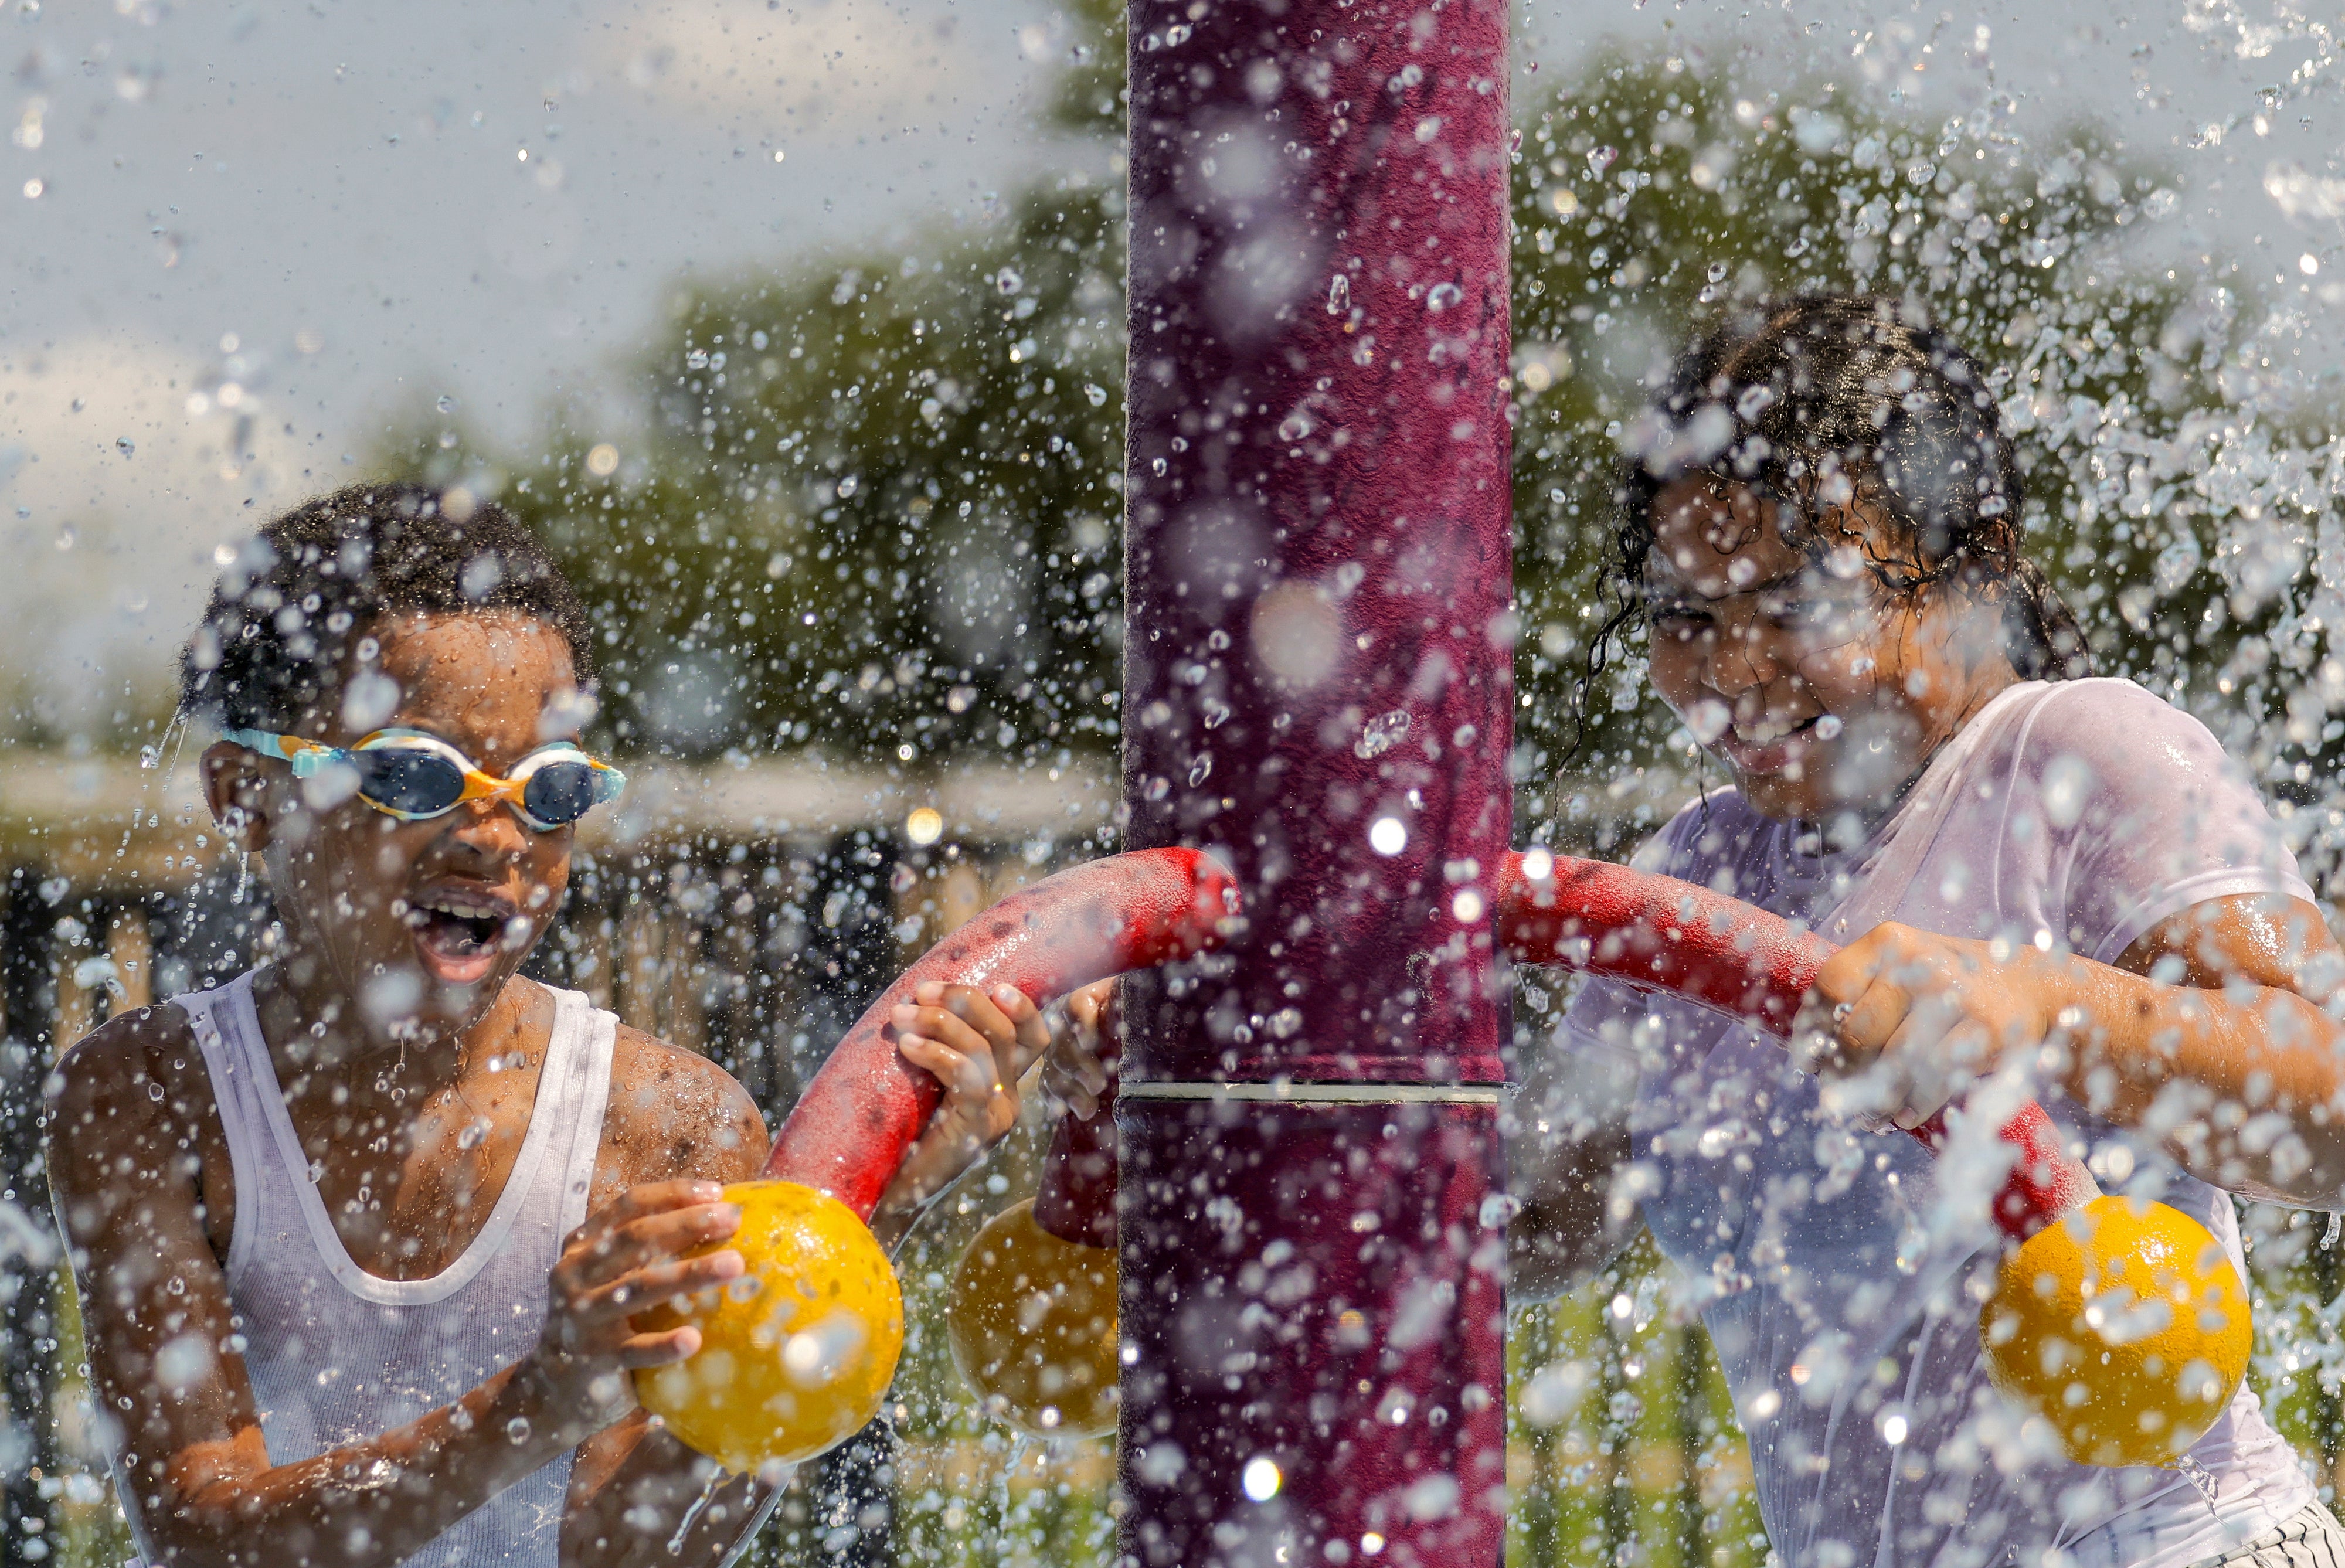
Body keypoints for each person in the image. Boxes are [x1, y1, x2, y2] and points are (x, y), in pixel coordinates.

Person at [46, 482, 1050, 1567]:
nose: (497, 836)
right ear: (246, 795)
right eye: (411, 776)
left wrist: (863, 1215)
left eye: (550, 787)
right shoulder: (155, 1095)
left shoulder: (670, 1125)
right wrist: (537, 1401)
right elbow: (201, 1539)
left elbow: (626, 1552)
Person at [1505, 294, 2345, 1568]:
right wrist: (1191, 1104)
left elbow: (2326, 1096)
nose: (1726, 670)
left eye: (1793, 600)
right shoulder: (1694, 872)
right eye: (1682, 614)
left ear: (1976, 564)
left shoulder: (2076, 759)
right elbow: (1522, 1224)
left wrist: (2032, 1005)